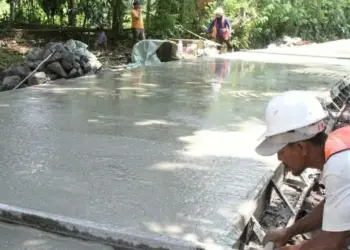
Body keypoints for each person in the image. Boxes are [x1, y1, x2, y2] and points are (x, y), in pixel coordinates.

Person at [255, 90, 350, 250]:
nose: (279, 158)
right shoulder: (339, 141)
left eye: (281, 151)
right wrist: (289, 232)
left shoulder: (339, 168)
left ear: (301, 147)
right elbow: (332, 204)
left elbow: (332, 243)